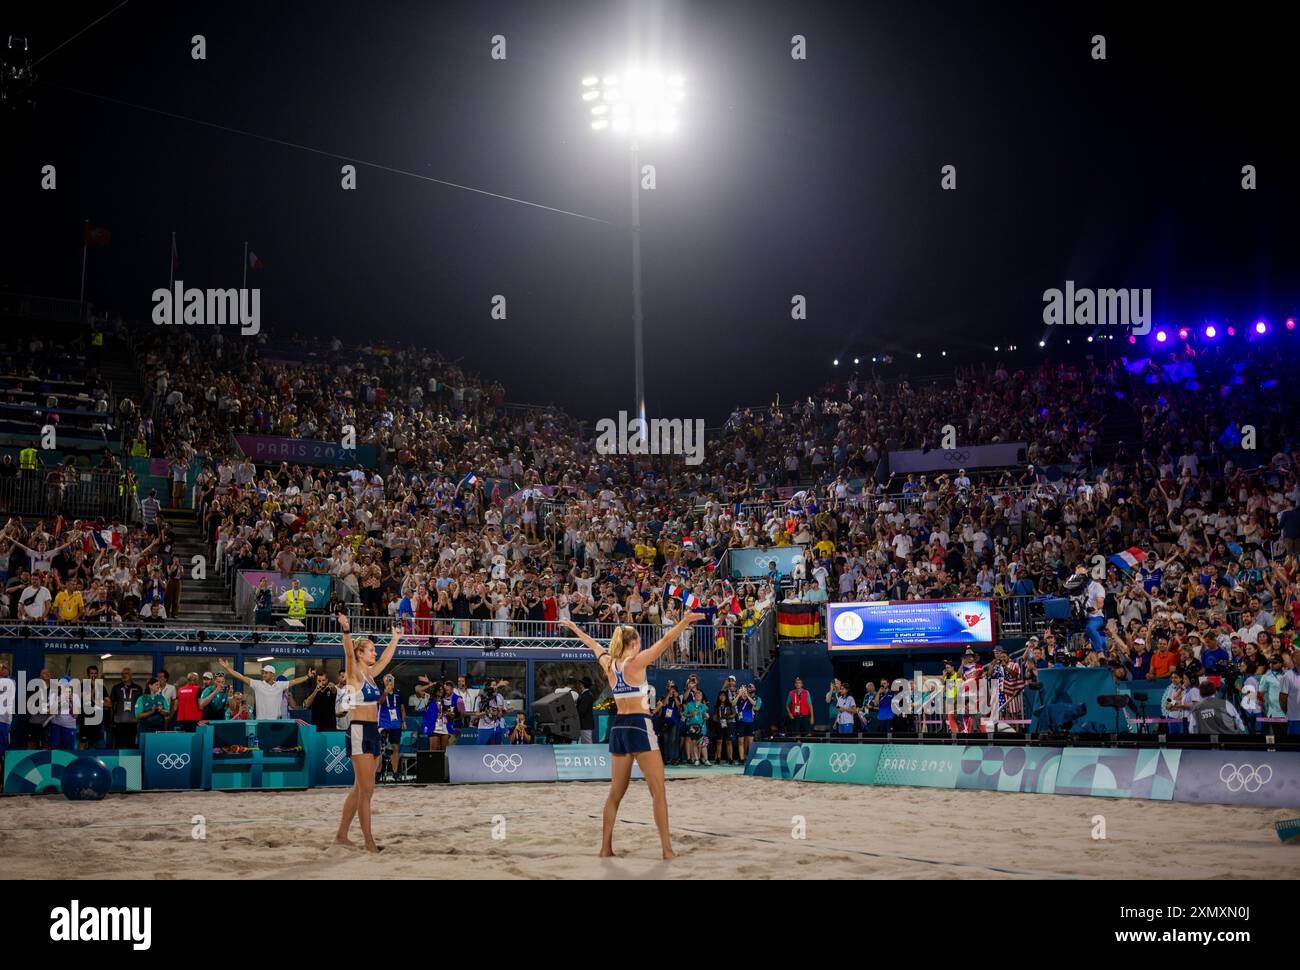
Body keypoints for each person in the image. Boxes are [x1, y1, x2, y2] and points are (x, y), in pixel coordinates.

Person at [560, 611, 702, 860]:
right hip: (639, 724)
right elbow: (667, 640)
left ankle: (605, 848)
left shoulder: (609, 664)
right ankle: (667, 851)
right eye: (638, 642)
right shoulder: (636, 662)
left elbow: (592, 644)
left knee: (615, 793)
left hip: (619, 727)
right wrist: (685, 622)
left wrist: (574, 627)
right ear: (633, 643)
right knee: (658, 792)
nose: (641, 646)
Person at [334, 613, 402, 852]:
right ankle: (369, 842)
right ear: (360, 654)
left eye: (374, 650)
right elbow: (347, 652)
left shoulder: (371, 677)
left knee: (359, 788)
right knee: (367, 791)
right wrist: (346, 630)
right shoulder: (354, 675)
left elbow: (385, 659)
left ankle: (342, 835)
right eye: (370, 650)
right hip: (359, 732)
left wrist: (395, 639)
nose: (375, 653)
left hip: (373, 731)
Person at [217, 660, 313, 720]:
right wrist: (228, 668)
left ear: (272, 674)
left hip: (276, 722)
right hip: (261, 721)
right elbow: (241, 677)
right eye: (263, 673)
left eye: (266, 673)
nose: (263, 674)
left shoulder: (280, 685)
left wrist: (307, 676)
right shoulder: (257, 684)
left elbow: (294, 681)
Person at [378, 673, 405, 781]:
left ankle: (395, 773)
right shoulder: (380, 691)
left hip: (395, 724)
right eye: (386, 679)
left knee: (395, 747)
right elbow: (379, 702)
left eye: (390, 679)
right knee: (380, 749)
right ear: (383, 681)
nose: (389, 680)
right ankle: (378, 773)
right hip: (383, 723)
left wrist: (403, 721)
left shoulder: (398, 693)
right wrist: (385, 692)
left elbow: (402, 708)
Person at [110, 667, 142, 749]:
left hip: (133, 722)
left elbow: (141, 705)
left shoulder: (138, 688)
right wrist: (111, 720)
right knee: (119, 745)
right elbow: (111, 704)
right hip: (119, 722)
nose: (124, 675)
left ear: (131, 675)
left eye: (127, 673)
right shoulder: (116, 688)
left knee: (131, 745)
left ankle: (129, 762)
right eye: (123, 674)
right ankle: (118, 762)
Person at [735, 682, 761, 762]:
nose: (749, 688)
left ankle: (750, 759)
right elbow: (733, 704)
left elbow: (755, 705)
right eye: (747, 687)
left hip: (751, 722)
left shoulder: (754, 698)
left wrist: (747, 696)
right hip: (741, 722)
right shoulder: (739, 698)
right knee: (741, 741)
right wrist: (739, 695)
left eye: (750, 687)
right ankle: (742, 759)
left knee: (750, 742)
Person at [575, 677, 595, 744]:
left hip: (585, 724)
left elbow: (582, 711)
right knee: (585, 743)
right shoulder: (588, 694)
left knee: (588, 743)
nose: (580, 685)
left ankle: (592, 755)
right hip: (585, 724)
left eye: (580, 684)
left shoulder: (586, 696)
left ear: (582, 685)